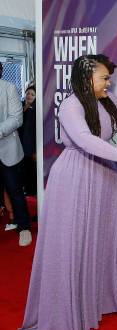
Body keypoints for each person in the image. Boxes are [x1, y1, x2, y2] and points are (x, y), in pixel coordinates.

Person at [18, 54, 117, 330]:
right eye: (104, 77)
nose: (108, 82)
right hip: (76, 176)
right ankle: (71, 307)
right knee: (76, 239)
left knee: (109, 236)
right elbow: (86, 140)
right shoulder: (71, 105)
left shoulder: (106, 99)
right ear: (86, 78)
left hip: (104, 175)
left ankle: (115, 299)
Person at [0, 62, 31, 246]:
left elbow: (16, 119)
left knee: (15, 190)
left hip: (8, 150)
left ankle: (24, 227)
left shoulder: (9, 88)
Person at [18, 85, 36, 196]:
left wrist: (35, 149)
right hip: (19, 143)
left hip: (29, 145)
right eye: (28, 93)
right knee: (21, 168)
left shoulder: (35, 111)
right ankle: (24, 188)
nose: (29, 96)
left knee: (30, 169)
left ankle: (31, 191)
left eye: (32, 94)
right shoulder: (19, 107)